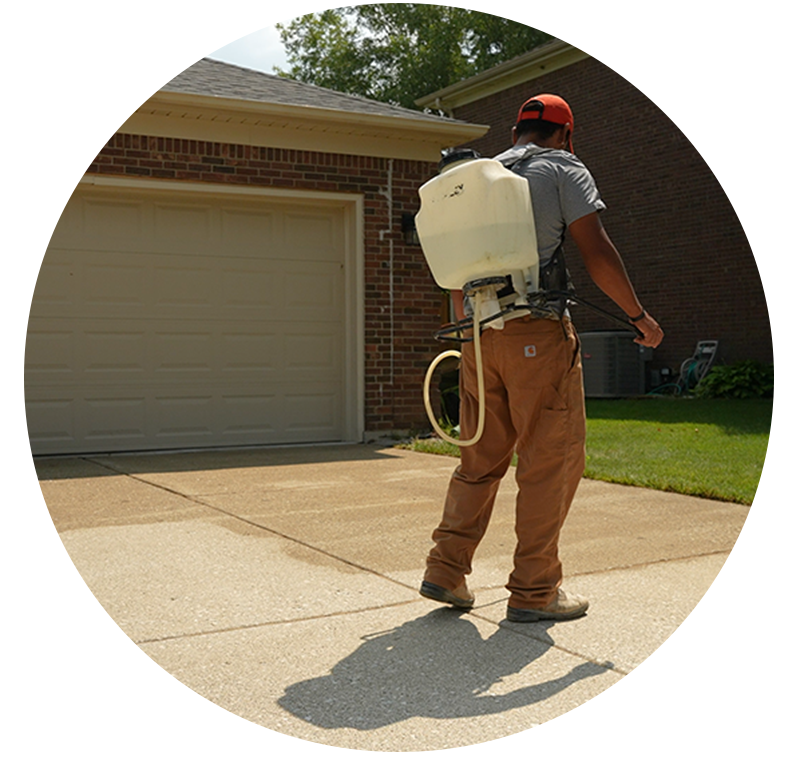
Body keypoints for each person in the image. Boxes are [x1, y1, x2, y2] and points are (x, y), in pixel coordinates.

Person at [419, 94, 664, 622]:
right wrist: (639, 317)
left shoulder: (477, 176)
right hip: (537, 333)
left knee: (478, 462)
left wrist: (469, 336)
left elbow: (458, 267)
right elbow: (596, 251)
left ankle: (445, 569)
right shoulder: (562, 168)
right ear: (566, 133)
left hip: (477, 336)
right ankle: (535, 592)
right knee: (548, 462)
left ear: (515, 133)